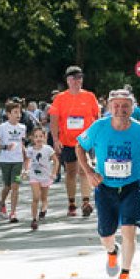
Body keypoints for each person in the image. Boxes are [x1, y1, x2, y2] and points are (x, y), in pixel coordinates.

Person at [77, 89, 140, 279]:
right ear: (109, 107)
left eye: (125, 106)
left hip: (132, 185)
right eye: (116, 105)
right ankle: (111, 251)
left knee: (129, 231)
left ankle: (125, 274)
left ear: (132, 108)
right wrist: (89, 172)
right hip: (105, 186)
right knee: (106, 235)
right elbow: (80, 146)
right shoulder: (99, 127)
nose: (120, 110)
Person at [48, 66, 100, 218]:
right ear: (68, 80)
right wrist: (56, 139)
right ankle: (71, 203)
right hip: (68, 141)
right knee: (71, 172)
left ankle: (86, 202)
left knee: (85, 169)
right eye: (74, 78)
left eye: (80, 78)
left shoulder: (90, 96)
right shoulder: (60, 98)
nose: (77, 81)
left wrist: (98, 137)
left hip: (86, 141)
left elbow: (97, 118)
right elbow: (54, 120)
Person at [0, 101, 28, 223]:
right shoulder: (2, 127)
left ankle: (13, 212)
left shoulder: (22, 127)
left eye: (20, 112)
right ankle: (1, 202)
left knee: (15, 186)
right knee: (7, 187)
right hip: (5, 161)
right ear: (8, 114)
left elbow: (22, 143)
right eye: (15, 112)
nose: (18, 115)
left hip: (18, 161)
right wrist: (5, 147)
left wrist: (26, 158)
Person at [24, 126, 58, 231]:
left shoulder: (48, 149)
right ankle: (34, 219)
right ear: (32, 138)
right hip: (34, 176)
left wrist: (54, 173)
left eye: (40, 136)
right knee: (36, 197)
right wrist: (26, 170)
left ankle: (44, 209)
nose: (38, 139)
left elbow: (56, 161)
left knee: (44, 198)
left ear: (44, 137)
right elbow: (27, 161)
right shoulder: (30, 150)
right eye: (36, 136)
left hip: (46, 176)